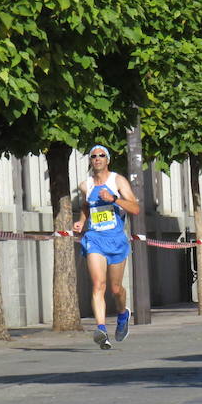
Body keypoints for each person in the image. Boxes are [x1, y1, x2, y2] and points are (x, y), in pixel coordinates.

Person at [73, 145, 140, 350]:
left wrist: (114, 199)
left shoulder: (117, 181)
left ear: (107, 159)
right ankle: (101, 329)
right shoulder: (86, 185)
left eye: (101, 155)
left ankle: (122, 314)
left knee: (115, 289)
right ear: (90, 161)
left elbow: (135, 208)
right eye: (93, 156)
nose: (97, 159)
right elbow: (86, 207)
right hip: (95, 239)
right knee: (98, 284)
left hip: (116, 240)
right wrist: (81, 222)